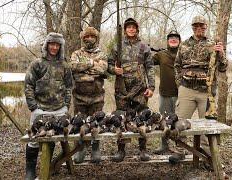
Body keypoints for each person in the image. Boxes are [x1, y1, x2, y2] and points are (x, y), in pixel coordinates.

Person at [170, 15, 228, 163]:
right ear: (193, 27)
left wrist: (220, 53)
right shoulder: (184, 45)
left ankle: (208, 156)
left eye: (202, 26)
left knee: (208, 124)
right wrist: (180, 84)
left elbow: (223, 67)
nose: (199, 29)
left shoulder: (213, 44)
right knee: (180, 121)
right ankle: (179, 151)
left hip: (206, 91)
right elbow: (177, 65)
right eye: (196, 26)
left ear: (206, 27)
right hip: (186, 89)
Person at [24, 32, 72, 180]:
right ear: (47, 45)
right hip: (40, 109)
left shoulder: (64, 65)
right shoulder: (37, 64)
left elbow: (69, 86)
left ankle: (45, 170)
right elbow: (28, 85)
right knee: (34, 140)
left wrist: (66, 105)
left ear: (60, 47)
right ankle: (30, 171)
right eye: (52, 44)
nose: (54, 47)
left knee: (51, 139)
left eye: (57, 45)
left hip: (59, 110)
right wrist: (33, 106)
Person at [108, 18, 155, 162]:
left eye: (134, 27)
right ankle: (121, 150)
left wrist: (151, 87)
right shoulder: (117, 47)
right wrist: (114, 70)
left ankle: (143, 150)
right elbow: (108, 65)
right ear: (125, 30)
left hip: (140, 90)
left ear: (137, 29)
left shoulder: (144, 47)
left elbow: (150, 68)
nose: (131, 29)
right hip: (122, 90)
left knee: (142, 117)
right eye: (128, 27)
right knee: (121, 118)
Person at [69, 26, 108, 164]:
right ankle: (80, 149)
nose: (89, 39)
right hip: (79, 97)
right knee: (79, 124)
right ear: (82, 38)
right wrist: (91, 63)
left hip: (97, 97)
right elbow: (73, 67)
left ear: (96, 38)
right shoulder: (76, 53)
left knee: (96, 123)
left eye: (92, 36)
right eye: (86, 37)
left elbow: (103, 69)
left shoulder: (102, 54)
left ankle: (95, 149)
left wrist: (84, 71)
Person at [152, 30, 181, 154]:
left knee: (178, 122)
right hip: (164, 94)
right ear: (167, 41)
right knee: (163, 120)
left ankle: (179, 147)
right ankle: (164, 145)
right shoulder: (161, 54)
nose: (173, 39)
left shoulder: (184, 53)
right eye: (171, 38)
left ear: (179, 41)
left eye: (176, 38)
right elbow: (147, 62)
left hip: (181, 94)